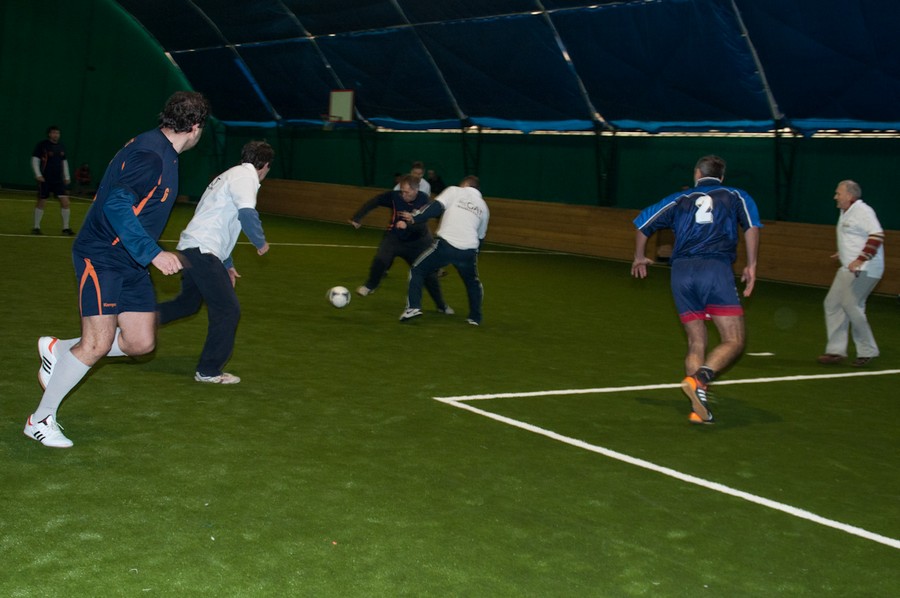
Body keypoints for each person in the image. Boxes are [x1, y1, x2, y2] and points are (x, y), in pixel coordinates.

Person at [24, 91, 210, 448]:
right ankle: (41, 419)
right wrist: (153, 253)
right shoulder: (151, 155)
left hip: (129, 261)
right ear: (196, 127)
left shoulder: (161, 149)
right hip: (102, 256)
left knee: (141, 342)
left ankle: (59, 350)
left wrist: (142, 254)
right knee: (97, 343)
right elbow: (117, 204)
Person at [631, 155, 761, 424]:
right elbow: (751, 227)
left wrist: (639, 257)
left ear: (697, 174)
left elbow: (642, 224)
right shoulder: (736, 195)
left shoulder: (678, 199)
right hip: (714, 268)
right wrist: (752, 264)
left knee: (696, 341)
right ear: (721, 176)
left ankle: (697, 407)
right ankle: (700, 379)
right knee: (734, 339)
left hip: (681, 273)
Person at [157, 141, 274, 384]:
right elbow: (246, 213)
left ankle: (132, 322)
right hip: (203, 250)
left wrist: (226, 263)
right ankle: (209, 370)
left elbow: (220, 221)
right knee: (228, 310)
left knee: (187, 304)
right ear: (264, 165)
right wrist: (260, 241)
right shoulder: (247, 177)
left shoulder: (229, 175)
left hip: (195, 248)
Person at [350, 175, 452, 313]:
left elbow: (422, 225)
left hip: (416, 243)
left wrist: (407, 225)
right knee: (381, 259)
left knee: (429, 275)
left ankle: (441, 305)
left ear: (416, 190)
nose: (403, 195)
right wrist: (357, 217)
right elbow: (375, 201)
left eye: (407, 192)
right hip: (394, 238)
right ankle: (370, 286)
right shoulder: (394, 196)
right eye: (402, 191)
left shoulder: (424, 200)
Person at [399, 176, 489, 325]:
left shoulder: (455, 191)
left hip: (446, 245)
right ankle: (475, 317)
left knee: (418, 269)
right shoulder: (484, 207)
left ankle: (413, 307)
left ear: (465, 184)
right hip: (468, 251)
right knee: (472, 283)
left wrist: (416, 218)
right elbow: (480, 237)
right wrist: (474, 255)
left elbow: (436, 207)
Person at [816, 180, 884, 367]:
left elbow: (877, 235)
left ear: (849, 195)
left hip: (866, 268)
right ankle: (836, 351)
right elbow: (855, 236)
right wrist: (844, 252)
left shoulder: (863, 211)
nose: (835, 197)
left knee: (851, 305)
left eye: (838, 193)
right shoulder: (845, 211)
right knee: (832, 304)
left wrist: (860, 259)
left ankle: (867, 350)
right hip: (848, 268)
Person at [31, 125, 74, 235]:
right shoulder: (42, 145)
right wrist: (38, 174)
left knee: (66, 202)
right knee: (42, 201)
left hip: (58, 180)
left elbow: (64, 162)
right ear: (49, 134)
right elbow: (35, 159)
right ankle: (36, 227)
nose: (56, 135)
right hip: (45, 179)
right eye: (54, 133)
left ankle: (66, 228)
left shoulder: (61, 146)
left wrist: (67, 176)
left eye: (57, 133)